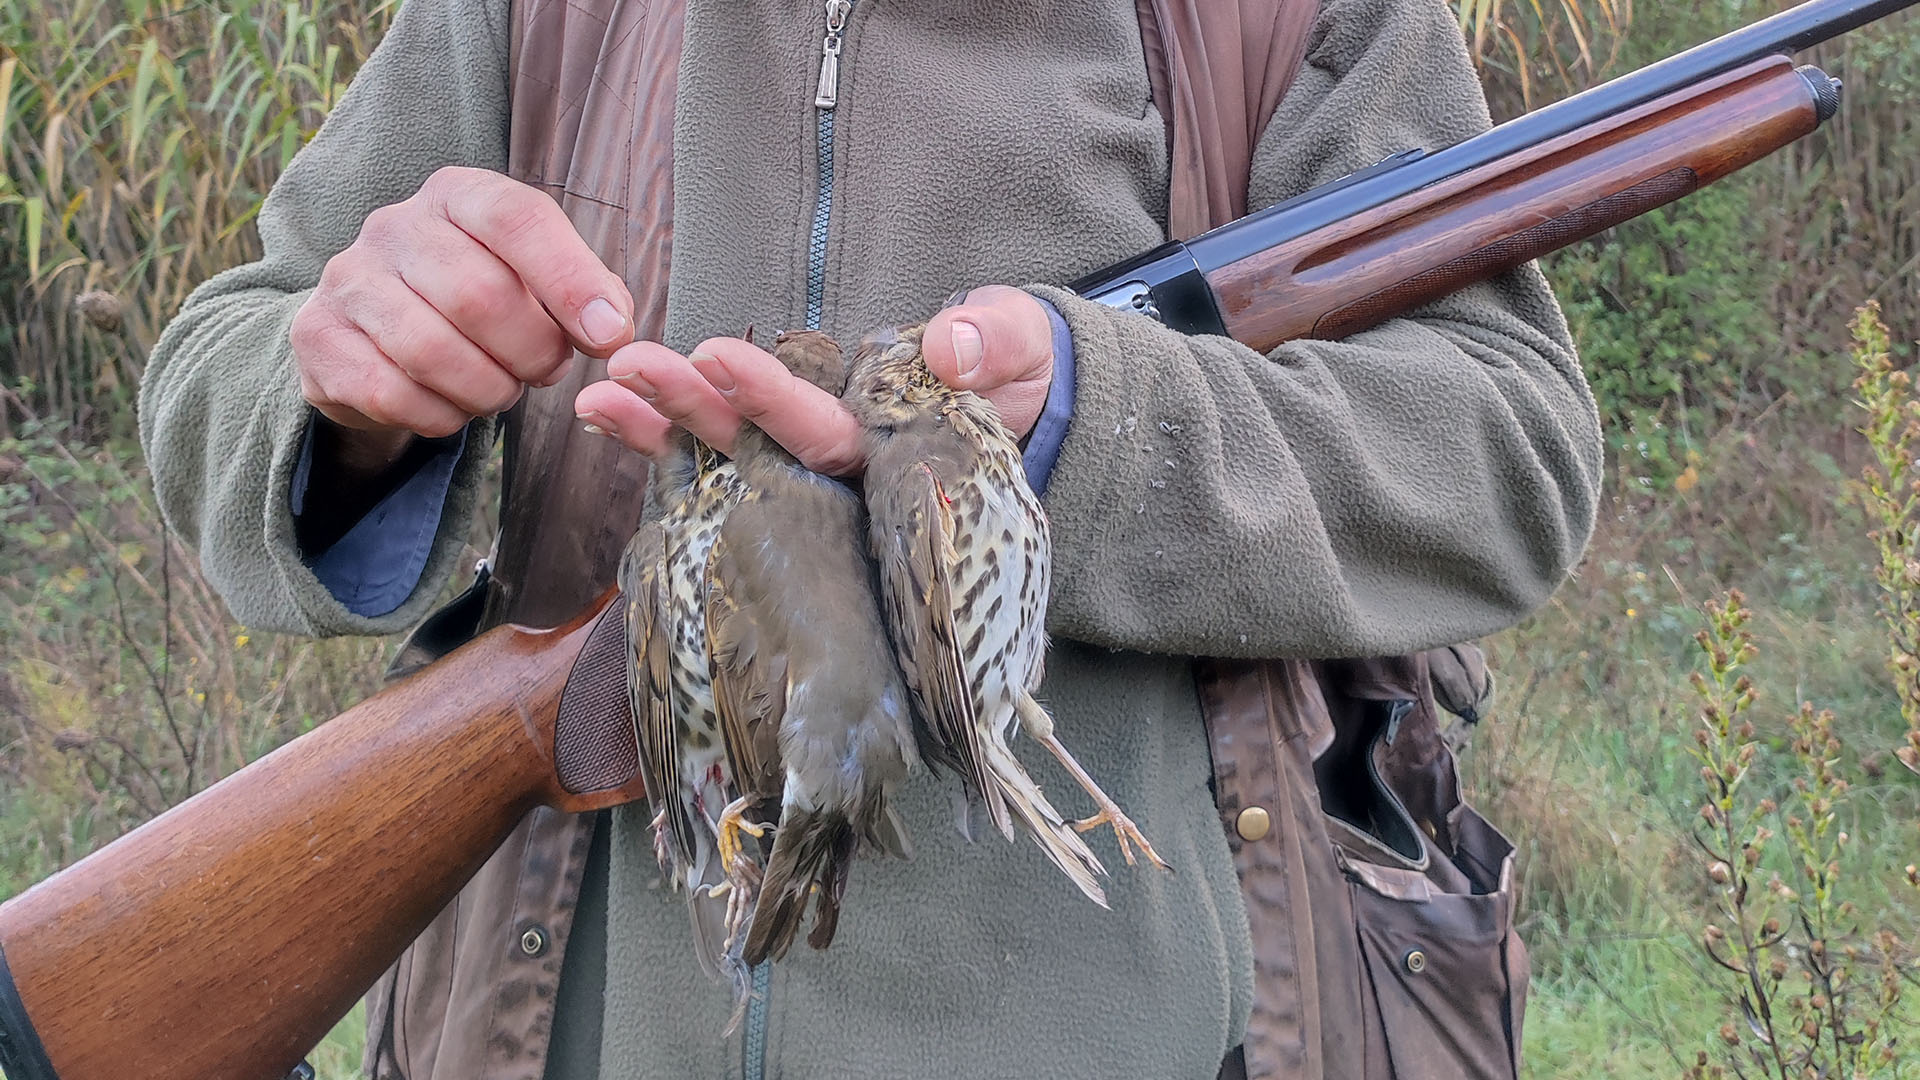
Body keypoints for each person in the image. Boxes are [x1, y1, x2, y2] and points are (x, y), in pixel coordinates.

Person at [138, 0, 1603, 1076]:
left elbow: (1506, 447)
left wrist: (1079, 433)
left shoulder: (1287, 20)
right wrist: (356, 401)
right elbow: (225, 363)